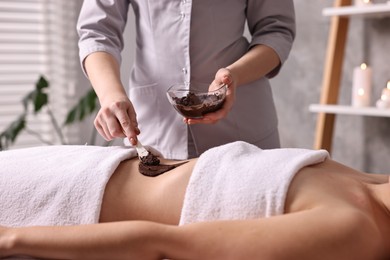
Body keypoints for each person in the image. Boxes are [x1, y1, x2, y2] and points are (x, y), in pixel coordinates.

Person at [0, 141, 390, 259]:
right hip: (90, 162)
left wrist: (10, 239)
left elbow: (162, 243)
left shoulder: (353, 228)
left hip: (66, 199)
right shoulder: (371, 182)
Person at [76, 0, 296, 159]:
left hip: (242, 131)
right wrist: (110, 95)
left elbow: (276, 30)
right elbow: (97, 32)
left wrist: (234, 75)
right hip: (154, 132)